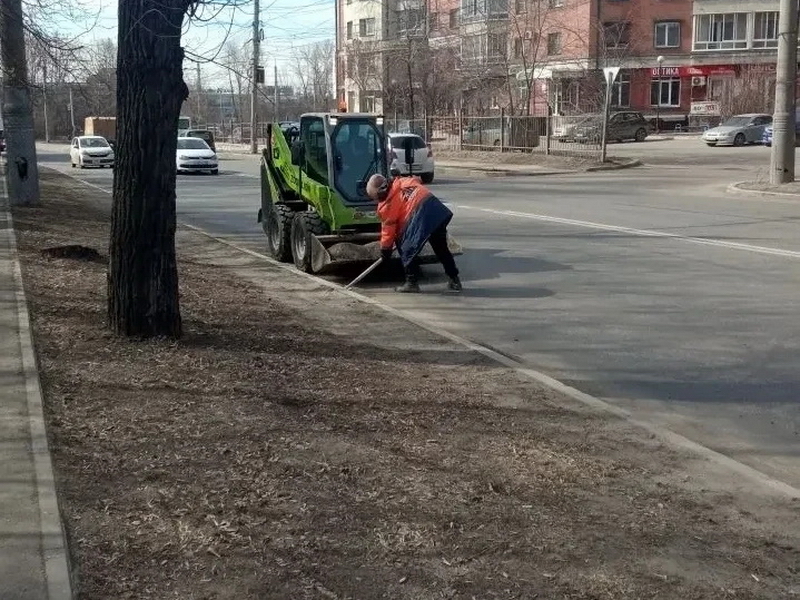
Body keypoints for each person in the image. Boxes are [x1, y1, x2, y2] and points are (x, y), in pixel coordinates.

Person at [365, 173, 462, 293]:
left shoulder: (387, 205)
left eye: (375, 197)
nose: (376, 200)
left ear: (379, 193)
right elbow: (418, 180)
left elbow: (388, 231)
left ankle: (411, 283)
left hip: (420, 217)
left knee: (406, 248)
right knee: (441, 249)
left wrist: (385, 251)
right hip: (435, 211)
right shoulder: (404, 181)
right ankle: (454, 279)